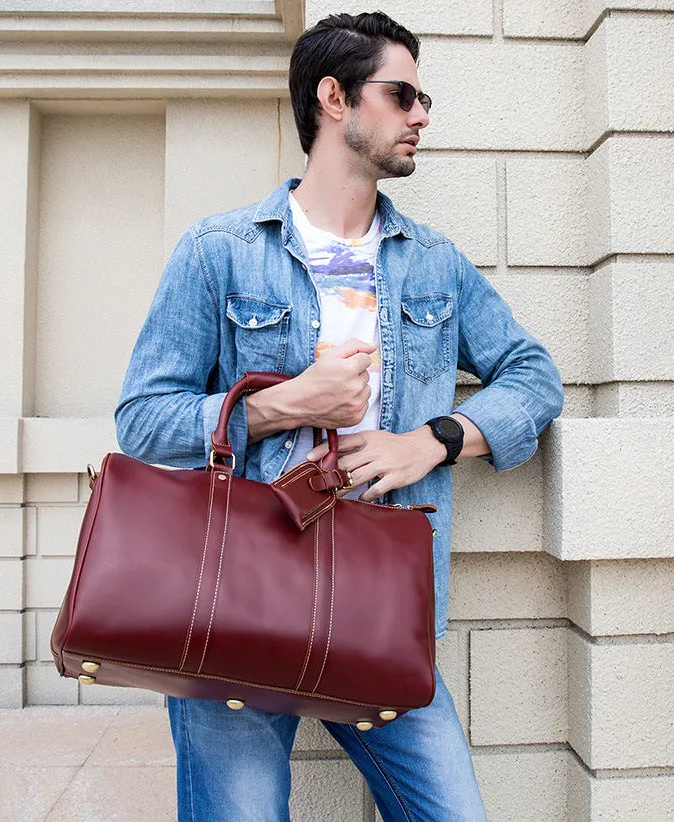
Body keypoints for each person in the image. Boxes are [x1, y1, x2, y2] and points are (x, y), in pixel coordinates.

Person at [115, 11, 563, 822]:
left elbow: (533, 375)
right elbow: (143, 419)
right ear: (334, 98)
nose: (422, 114)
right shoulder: (220, 250)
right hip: (235, 604)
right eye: (403, 94)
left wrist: (435, 440)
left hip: (380, 609)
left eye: (423, 98)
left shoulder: (434, 263)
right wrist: (282, 404)